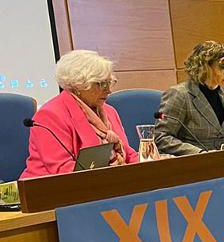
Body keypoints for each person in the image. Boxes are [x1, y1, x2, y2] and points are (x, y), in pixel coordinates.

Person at [22, 50, 138, 178]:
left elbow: (129, 154)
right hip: (51, 191)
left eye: (110, 82)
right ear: (78, 85)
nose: (109, 90)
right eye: (101, 84)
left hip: (107, 184)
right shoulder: (50, 115)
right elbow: (63, 169)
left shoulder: (109, 111)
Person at [155, 41, 224, 155]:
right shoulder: (179, 94)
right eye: (223, 67)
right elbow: (161, 137)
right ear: (204, 67)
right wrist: (199, 153)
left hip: (222, 161)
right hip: (192, 163)